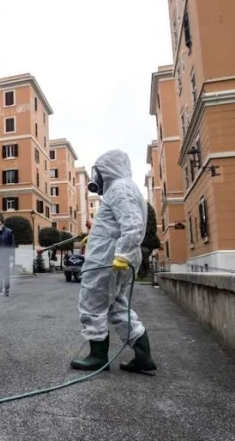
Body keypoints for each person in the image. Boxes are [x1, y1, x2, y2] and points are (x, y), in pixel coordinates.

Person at [70, 149, 157, 373]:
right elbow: (119, 224)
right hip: (114, 256)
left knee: (92, 304)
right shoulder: (124, 188)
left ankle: (97, 357)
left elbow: (132, 225)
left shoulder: (120, 188)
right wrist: (96, 235)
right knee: (117, 307)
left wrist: (122, 255)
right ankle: (143, 355)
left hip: (109, 259)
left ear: (107, 169)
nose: (96, 177)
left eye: (97, 172)